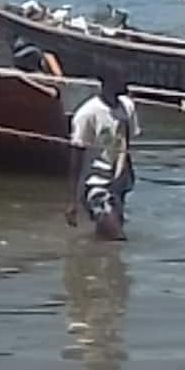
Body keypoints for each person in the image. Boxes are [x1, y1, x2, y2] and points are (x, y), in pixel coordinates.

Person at [64, 68, 141, 241]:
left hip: (118, 183)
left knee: (106, 238)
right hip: (95, 184)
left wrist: (126, 178)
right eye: (123, 77)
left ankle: (89, 254)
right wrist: (72, 200)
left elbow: (125, 145)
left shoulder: (128, 106)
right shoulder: (87, 114)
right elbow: (76, 156)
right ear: (110, 80)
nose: (127, 81)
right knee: (117, 238)